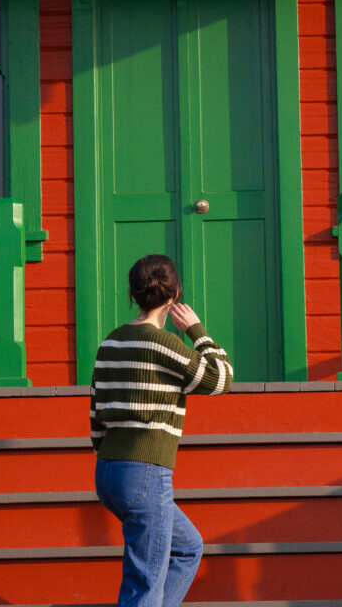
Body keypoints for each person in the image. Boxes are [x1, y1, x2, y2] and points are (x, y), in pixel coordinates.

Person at [89, 254, 234, 607]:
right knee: (144, 584)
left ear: (133, 293)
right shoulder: (167, 344)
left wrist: (110, 455)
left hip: (108, 471)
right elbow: (222, 379)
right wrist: (196, 331)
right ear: (174, 296)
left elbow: (96, 409)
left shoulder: (111, 342)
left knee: (187, 548)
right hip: (145, 474)